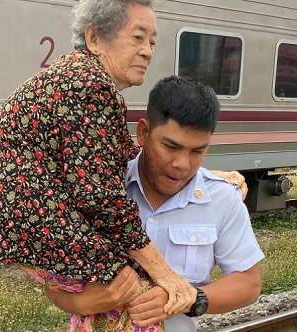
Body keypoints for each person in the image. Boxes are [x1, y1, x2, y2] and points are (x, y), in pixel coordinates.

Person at [0, 0, 199, 330]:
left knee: (107, 302)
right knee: (139, 296)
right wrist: (168, 275)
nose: (148, 51)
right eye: (137, 37)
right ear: (94, 38)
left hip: (28, 224)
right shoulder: (91, 87)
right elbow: (101, 198)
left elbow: (112, 162)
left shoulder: (71, 77)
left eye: (152, 42)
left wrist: (201, 175)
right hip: (50, 225)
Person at [45, 76, 264, 331]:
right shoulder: (101, 192)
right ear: (143, 133)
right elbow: (52, 284)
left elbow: (249, 284)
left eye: (197, 151)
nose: (182, 164)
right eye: (171, 147)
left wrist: (188, 299)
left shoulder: (222, 199)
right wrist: (82, 303)